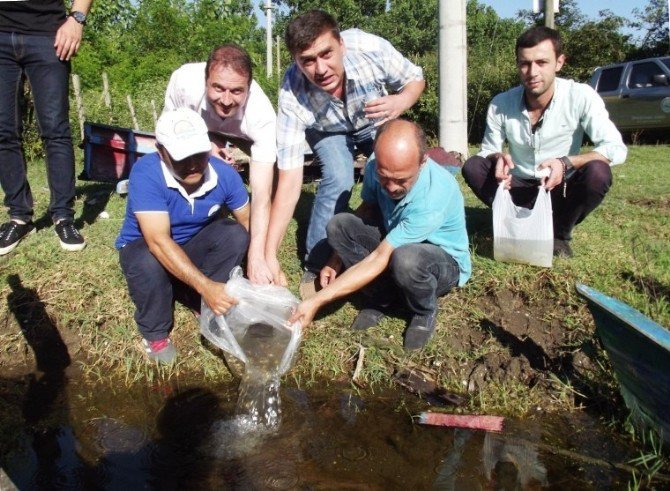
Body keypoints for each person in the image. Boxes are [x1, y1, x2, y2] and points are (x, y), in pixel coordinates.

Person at [267, 9, 425, 296]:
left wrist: (401, 101)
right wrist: (268, 255)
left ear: (341, 44)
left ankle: (400, 239)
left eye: (326, 54)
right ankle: (316, 265)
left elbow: (415, 79)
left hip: (374, 118)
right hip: (326, 130)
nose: (320, 69)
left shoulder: (370, 48)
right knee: (338, 177)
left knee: (388, 169)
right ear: (296, 62)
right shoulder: (291, 93)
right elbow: (289, 182)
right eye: (308, 61)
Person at [289, 120, 471, 351]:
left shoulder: (434, 196)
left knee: (406, 259)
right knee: (339, 225)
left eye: (401, 180)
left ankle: (423, 310)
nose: (392, 187)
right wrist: (335, 259)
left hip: (440, 260)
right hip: (395, 242)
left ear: (423, 161)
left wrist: (317, 300)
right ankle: (384, 297)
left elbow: (380, 256)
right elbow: (367, 208)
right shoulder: (377, 164)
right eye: (384, 177)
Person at [462, 26, 627, 258]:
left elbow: (615, 149)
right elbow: (488, 149)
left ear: (559, 62)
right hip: (516, 185)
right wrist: (497, 158)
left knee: (598, 172)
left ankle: (558, 233)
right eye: (524, 63)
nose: (532, 72)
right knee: (472, 166)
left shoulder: (580, 96)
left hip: (558, 188)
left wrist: (566, 162)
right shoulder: (501, 103)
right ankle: (513, 222)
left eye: (542, 62)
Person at [115, 108, 250, 364]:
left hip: (192, 245)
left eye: (199, 155)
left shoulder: (225, 175)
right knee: (148, 259)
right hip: (146, 247)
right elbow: (158, 241)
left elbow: (248, 221)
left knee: (234, 234)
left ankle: (202, 303)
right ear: (161, 151)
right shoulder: (146, 174)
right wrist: (205, 285)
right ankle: (155, 331)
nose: (192, 164)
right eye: (181, 157)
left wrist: (261, 267)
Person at [163, 44, 276, 284]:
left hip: (243, 133)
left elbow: (261, 192)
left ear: (248, 89)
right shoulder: (183, 82)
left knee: (269, 178)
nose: (226, 100)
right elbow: (169, 140)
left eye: (236, 91)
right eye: (218, 88)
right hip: (202, 128)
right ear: (205, 81)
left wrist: (256, 257)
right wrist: (209, 147)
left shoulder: (262, 115)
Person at [0, 0, 92, 256]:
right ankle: (19, 217)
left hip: (47, 32)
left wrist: (77, 19)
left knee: (55, 130)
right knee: (3, 130)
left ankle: (63, 217)